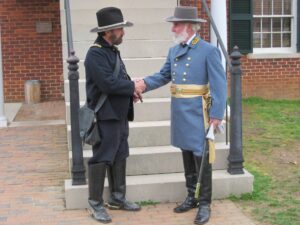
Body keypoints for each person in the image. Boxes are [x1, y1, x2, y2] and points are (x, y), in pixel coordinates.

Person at [135, 6, 227, 225]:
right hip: (180, 110)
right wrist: (142, 84)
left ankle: (204, 203)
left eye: (175, 24)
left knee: (201, 157)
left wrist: (216, 114)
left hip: (199, 112)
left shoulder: (208, 50)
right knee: (186, 152)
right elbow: (163, 75)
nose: (173, 29)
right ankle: (191, 196)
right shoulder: (174, 51)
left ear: (188, 26)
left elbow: (219, 86)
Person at [84, 7, 143, 223]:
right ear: (109, 31)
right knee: (101, 158)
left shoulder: (111, 51)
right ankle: (95, 203)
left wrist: (131, 93)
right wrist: (132, 86)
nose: (123, 33)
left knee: (120, 154)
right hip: (104, 115)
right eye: (120, 29)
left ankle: (118, 198)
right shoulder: (95, 53)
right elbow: (107, 84)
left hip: (118, 114)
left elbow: (119, 77)